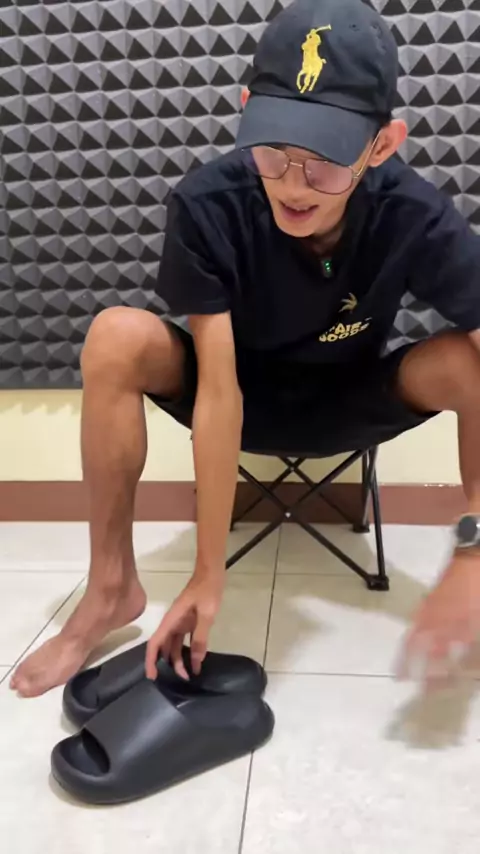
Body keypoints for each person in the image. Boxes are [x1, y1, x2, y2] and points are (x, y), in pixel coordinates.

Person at [11, 0, 480, 698]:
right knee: (116, 334)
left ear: (381, 146)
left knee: (468, 360)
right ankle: (111, 589)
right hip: (236, 389)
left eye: (323, 163)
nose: (292, 183)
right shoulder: (209, 203)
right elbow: (219, 388)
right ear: (247, 113)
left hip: (347, 399)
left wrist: (473, 551)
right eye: (273, 151)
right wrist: (208, 572)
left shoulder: (413, 211)